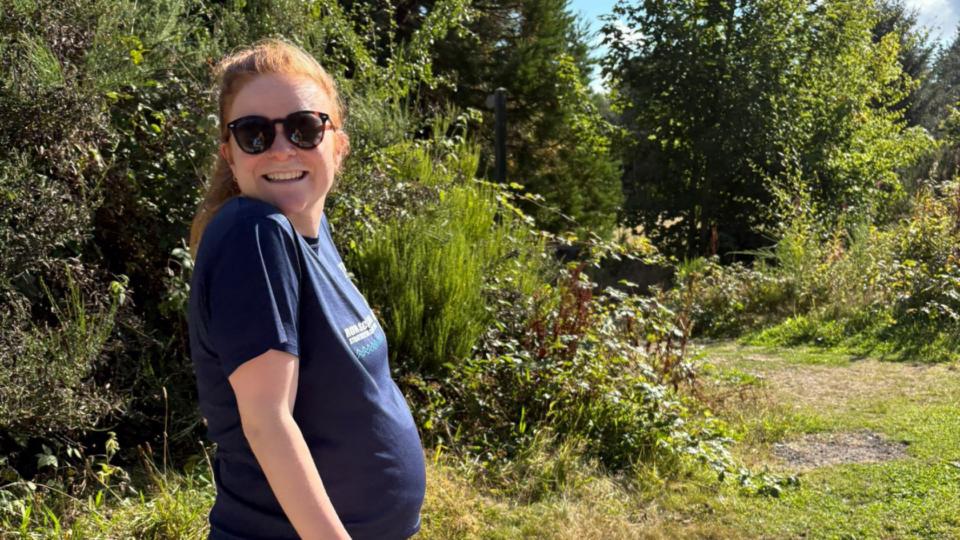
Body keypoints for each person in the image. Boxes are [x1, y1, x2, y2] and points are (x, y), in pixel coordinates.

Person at [186, 38, 426, 540]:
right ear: (230, 155)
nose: (280, 148)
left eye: (303, 128)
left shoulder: (304, 234)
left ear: (337, 143)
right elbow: (267, 423)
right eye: (254, 133)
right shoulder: (256, 232)